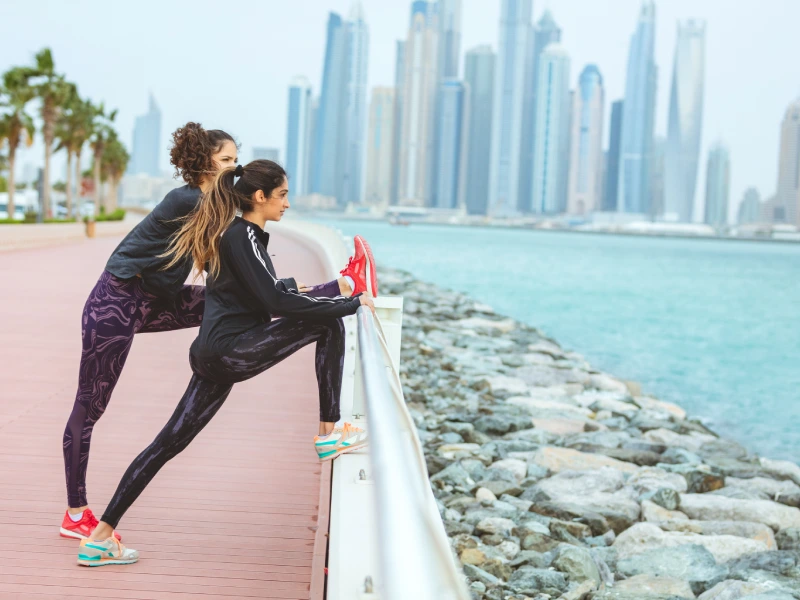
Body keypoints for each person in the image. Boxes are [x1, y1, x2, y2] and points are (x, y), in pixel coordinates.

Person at [61, 125, 375, 542]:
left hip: (160, 297)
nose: (235, 168)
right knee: (91, 405)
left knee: (235, 301)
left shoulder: (217, 212)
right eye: (227, 161)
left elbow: (247, 287)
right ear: (205, 163)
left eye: (236, 161)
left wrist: (332, 292)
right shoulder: (189, 199)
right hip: (116, 301)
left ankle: (342, 284)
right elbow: (244, 239)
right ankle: (76, 511)